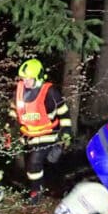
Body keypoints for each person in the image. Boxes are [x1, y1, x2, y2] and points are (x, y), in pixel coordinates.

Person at [14, 59, 73, 204]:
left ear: (38, 77)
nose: (25, 81)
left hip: (49, 134)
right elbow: (14, 110)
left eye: (29, 78)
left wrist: (66, 132)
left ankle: (36, 194)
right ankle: (50, 187)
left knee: (34, 165)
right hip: (28, 136)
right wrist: (9, 129)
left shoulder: (49, 92)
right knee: (35, 166)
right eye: (23, 78)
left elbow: (63, 112)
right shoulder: (20, 90)